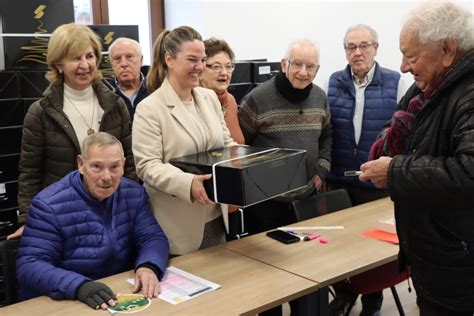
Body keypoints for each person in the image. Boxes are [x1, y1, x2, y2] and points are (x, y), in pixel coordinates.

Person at [360, 1, 474, 315]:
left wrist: (395, 172)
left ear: (448, 49)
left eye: (411, 55)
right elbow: (393, 131)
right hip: (436, 261)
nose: (403, 67)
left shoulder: (468, 93)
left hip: (460, 273)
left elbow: (470, 171)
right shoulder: (429, 89)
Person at [8, 23, 135, 240]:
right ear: (58, 64)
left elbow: (129, 161)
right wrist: (28, 221)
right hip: (62, 216)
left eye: (90, 56)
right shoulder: (40, 112)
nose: (85, 65)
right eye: (76, 58)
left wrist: (132, 207)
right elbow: (30, 173)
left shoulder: (116, 105)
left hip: (112, 211)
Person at [16, 132, 169, 310]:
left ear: (124, 165)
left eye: (114, 167)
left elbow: (152, 237)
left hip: (118, 291)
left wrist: (148, 265)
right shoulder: (48, 204)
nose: (107, 176)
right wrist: (79, 286)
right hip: (67, 300)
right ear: (81, 164)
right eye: (97, 166)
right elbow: (29, 265)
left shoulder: (133, 193)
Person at [238, 38, 331, 316]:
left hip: (307, 202)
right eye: (297, 64)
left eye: (310, 66)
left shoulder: (320, 97)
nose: (303, 72)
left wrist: (322, 169)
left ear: (317, 69)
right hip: (266, 206)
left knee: (311, 276)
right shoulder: (257, 98)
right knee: (271, 284)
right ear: (283, 64)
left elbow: (327, 135)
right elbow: (242, 147)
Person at [325, 24, 409, 316]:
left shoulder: (396, 82)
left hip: (376, 181)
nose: (357, 52)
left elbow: (402, 133)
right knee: (340, 245)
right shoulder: (333, 81)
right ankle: (346, 293)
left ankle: (373, 299)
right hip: (340, 179)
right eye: (351, 47)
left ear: (376, 47)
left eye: (364, 45)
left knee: (373, 248)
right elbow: (328, 130)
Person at [132, 26, 237, 256]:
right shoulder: (149, 109)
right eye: (192, 59)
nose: (200, 67)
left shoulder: (209, 98)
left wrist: (249, 162)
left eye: (202, 60)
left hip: (216, 218)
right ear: (169, 59)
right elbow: (147, 166)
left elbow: (227, 144)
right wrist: (187, 184)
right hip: (177, 225)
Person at [201, 37, 244, 144]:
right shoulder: (193, 101)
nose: (224, 72)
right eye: (216, 67)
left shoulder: (230, 100)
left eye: (229, 66)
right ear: (200, 69)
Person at [108, 37, 149, 121]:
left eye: (129, 57)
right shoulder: (105, 93)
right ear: (111, 63)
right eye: (117, 59)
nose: (124, 64)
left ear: (141, 60)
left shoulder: (156, 87)